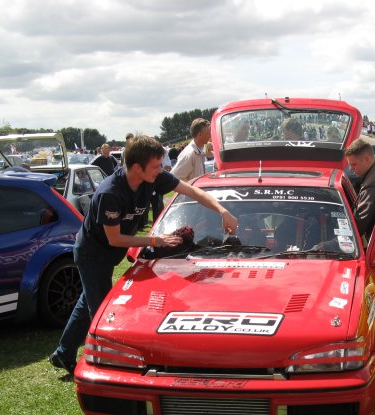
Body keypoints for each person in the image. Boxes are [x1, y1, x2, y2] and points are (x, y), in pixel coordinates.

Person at [49, 135, 238, 375]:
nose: (162, 170)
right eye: (157, 166)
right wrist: (155, 240)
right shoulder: (110, 193)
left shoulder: (153, 178)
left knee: (88, 298)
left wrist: (223, 211)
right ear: (137, 167)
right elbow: (114, 239)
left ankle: (63, 353)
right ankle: (103, 368)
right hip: (92, 254)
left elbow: (191, 191)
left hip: (109, 253)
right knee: (100, 312)